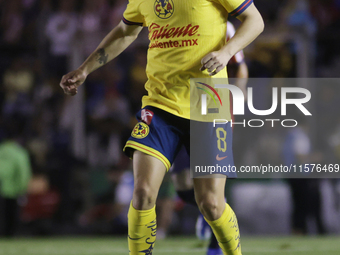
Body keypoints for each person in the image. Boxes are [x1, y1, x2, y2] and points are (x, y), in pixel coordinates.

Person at [60, 1, 264, 254]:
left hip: (209, 105)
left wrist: (225, 53)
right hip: (160, 106)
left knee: (211, 203)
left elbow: (255, 20)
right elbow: (125, 32)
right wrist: (85, 69)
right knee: (143, 192)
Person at [171, 20, 249, 255]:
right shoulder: (175, 20)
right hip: (179, 106)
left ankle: (215, 243)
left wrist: (238, 97)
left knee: (210, 189)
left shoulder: (224, 27)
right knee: (182, 184)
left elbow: (240, 66)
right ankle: (212, 211)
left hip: (213, 106)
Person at [0, 116, 32, 237]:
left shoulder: (1, 150)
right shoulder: (19, 153)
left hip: (1, 190)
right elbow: (24, 173)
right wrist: (23, 190)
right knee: (12, 220)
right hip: (13, 191)